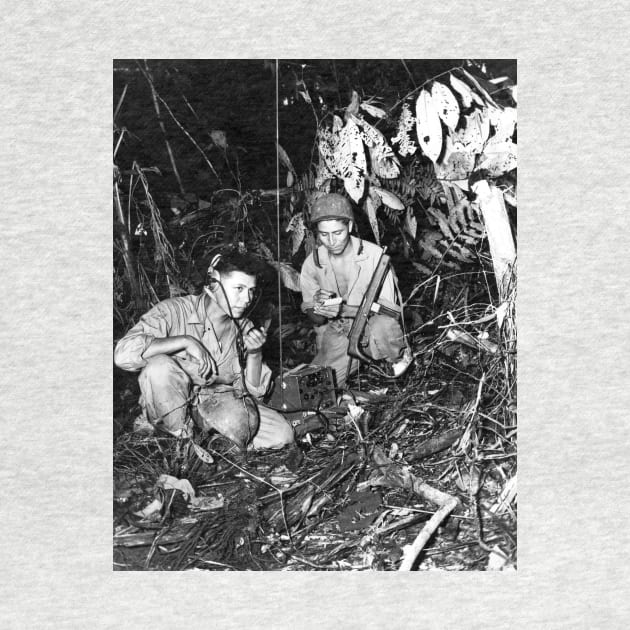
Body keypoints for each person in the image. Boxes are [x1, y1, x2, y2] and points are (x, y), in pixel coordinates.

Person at [114, 251, 294, 451]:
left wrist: (255, 353)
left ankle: (209, 440)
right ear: (214, 284)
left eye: (251, 290)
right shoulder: (175, 311)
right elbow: (122, 355)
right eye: (239, 289)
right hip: (173, 401)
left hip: (218, 403)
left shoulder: (244, 327)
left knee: (282, 434)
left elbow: (254, 395)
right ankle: (182, 441)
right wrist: (184, 341)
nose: (246, 299)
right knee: (159, 367)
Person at [300, 193, 412, 388]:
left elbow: (391, 312)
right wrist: (319, 307)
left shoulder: (374, 255)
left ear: (350, 227)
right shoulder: (313, 263)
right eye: (324, 235)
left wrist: (343, 310)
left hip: (372, 329)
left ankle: (396, 360)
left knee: (383, 327)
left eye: (338, 233)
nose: (331, 241)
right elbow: (315, 318)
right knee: (312, 388)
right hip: (338, 334)